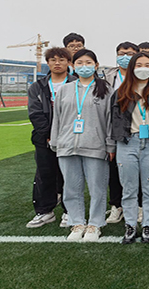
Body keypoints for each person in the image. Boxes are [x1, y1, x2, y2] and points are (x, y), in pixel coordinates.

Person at [50, 49, 114, 242]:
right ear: (73, 66)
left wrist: (110, 145)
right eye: (79, 63)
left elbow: (110, 120)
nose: (83, 66)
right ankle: (77, 222)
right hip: (67, 145)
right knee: (71, 187)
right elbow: (57, 118)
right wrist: (56, 142)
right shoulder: (65, 90)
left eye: (88, 63)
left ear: (96, 65)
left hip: (95, 146)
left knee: (97, 187)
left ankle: (95, 224)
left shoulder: (106, 89)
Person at [109, 52, 149, 244]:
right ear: (132, 68)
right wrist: (113, 144)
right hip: (127, 143)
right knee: (129, 188)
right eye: (139, 65)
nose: (143, 69)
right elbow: (114, 121)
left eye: (147, 65)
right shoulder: (121, 93)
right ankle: (130, 224)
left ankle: (148, 224)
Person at [26, 47, 76, 228]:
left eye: (62, 60)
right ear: (48, 63)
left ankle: (70, 211)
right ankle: (45, 211)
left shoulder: (76, 83)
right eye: (53, 60)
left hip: (71, 138)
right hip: (44, 139)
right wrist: (48, 134)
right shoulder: (37, 86)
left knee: (69, 175)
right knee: (45, 174)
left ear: (68, 62)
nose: (57, 63)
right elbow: (35, 113)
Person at [104, 41, 140, 224]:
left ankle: (138, 206)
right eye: (121, 53)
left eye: (130, 53)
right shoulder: (107, 77)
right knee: (114, 170)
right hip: (114, 129)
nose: (125, 57)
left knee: (138, 171)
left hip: (136, 130)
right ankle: (116, 206)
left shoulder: (143, 75)